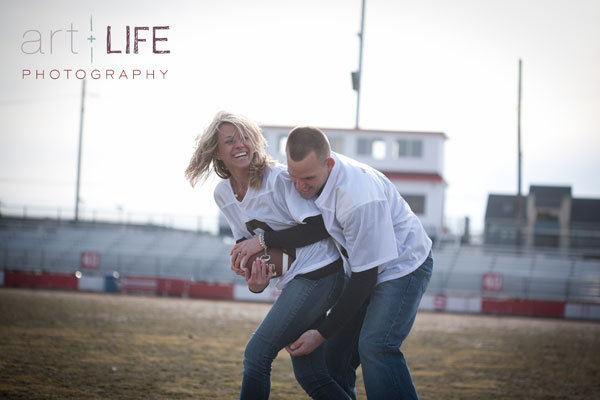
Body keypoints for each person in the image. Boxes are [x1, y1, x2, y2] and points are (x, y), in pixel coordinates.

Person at [185, 111, 351, 400]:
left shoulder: (277, 179)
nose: (240, 144)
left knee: (257, 355)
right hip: (297, 279)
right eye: (230, 140)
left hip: (321, 273)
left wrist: (262, 241)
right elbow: (245, 245)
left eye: (245, 137)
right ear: (216, 151)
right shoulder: (223, 194)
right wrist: (255, 281)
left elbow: (318, 228)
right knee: (311, 374)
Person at [283, 126, 434, 400]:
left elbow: (365, 279)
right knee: (333, 359)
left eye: (307, 178)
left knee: (377, 346)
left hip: (404, 265)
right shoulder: (314, 170)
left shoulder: (358, 199)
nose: (300, 187)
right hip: (366, 266)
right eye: (293, 178)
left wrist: (320, 333)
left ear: (328, 164)